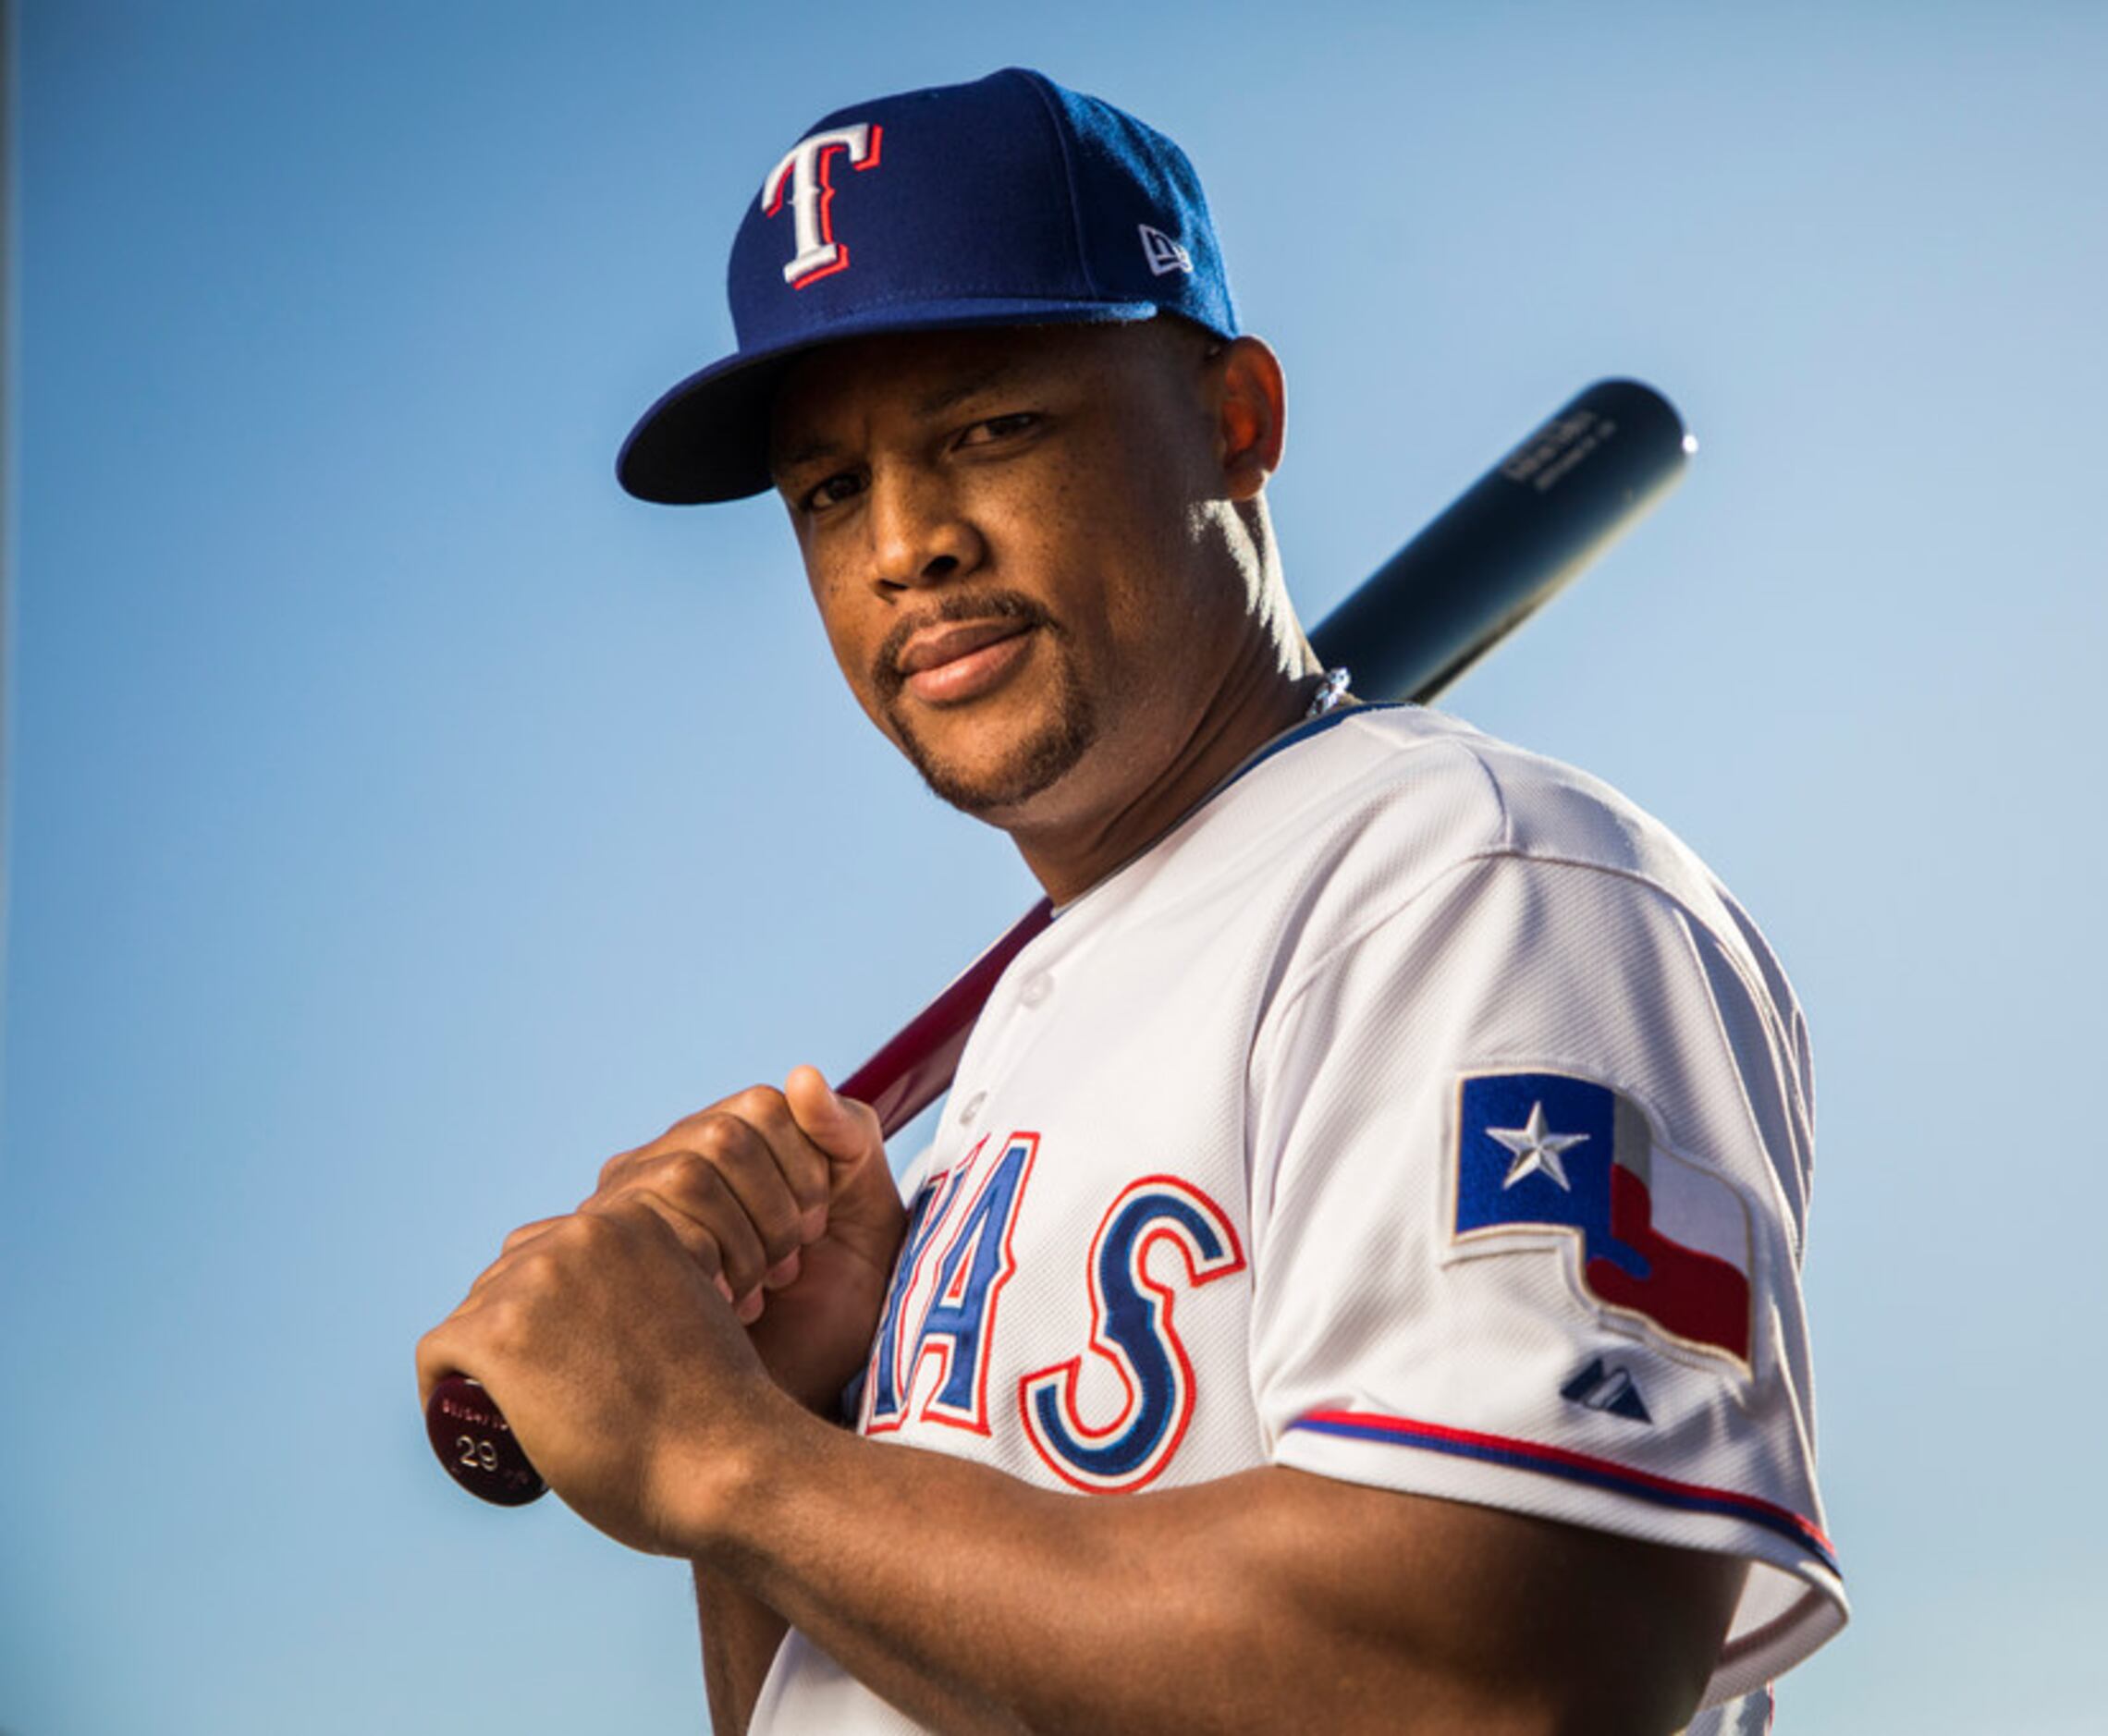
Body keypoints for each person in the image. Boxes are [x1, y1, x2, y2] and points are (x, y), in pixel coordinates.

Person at [417, 67, 1845, 1736]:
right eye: (829, 490)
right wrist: (789, 1411)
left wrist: (722, 1464)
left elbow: (1504, 1679)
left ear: (1236, 420)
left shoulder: (1471, 884)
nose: (906, 544)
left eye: (989, 427)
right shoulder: (1026, 1059)